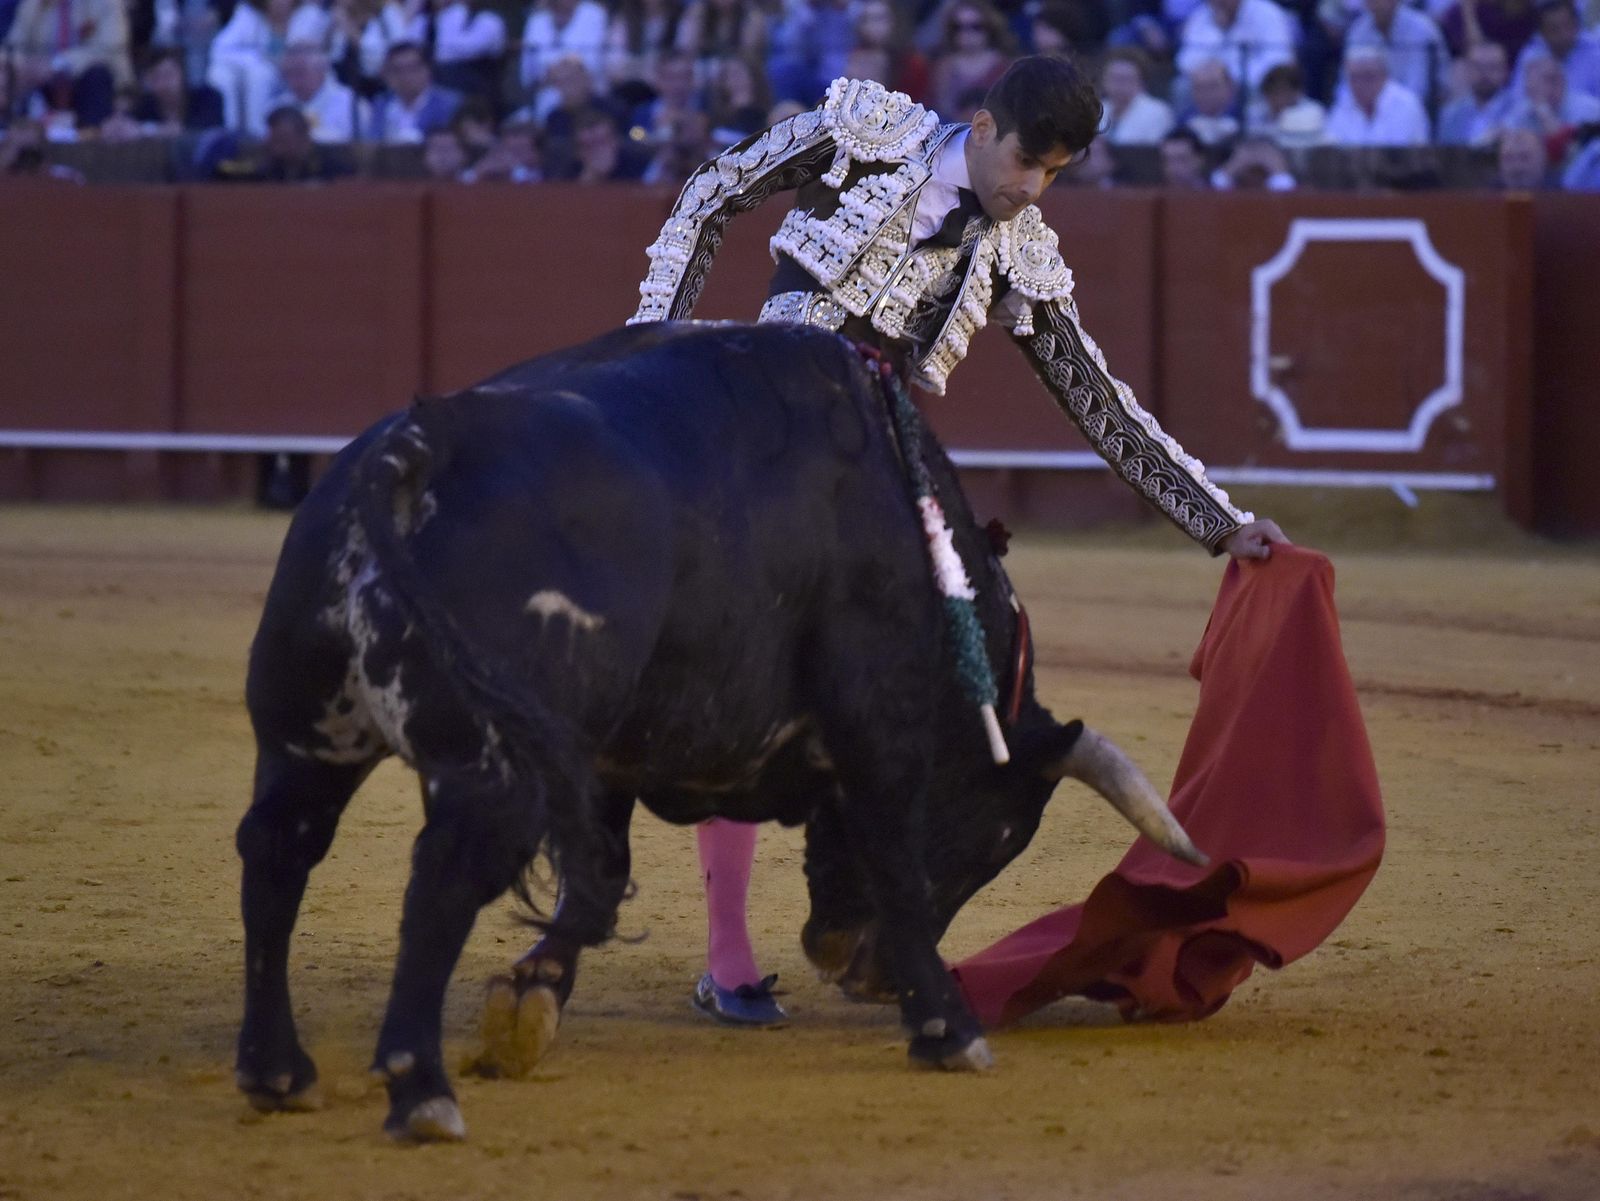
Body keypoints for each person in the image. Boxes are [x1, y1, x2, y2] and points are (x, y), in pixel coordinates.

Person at [623, 57, 1286, 1025]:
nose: (1031, 188)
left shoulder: (1025, 254)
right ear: (980, 128)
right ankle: (722, 952)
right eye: (1025, 161)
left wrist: (1219, 521)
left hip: (878, 463)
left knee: (963, 657)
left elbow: (1100, 404)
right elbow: (711, 194)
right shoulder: (863, 134)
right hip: (760, 418)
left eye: (1054, 174)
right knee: (732, 655)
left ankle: (874, 915)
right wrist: (650, 350)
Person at [2, 0, 132, 130]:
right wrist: (20, 65)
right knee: (9, 74)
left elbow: (108, 50)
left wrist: (56, 64)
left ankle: (91, 136)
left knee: (97, 74)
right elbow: (14, 46)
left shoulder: (106, 3)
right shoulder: (33, 4)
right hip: (44, 83)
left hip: (94, 84)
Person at [1324, 45, 1431, 143]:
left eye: (1368, 76)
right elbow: (1333, 145)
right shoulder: (1343, 102)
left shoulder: (1407, 104)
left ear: (1384, 76)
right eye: (1354, 78)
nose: (1360, 84)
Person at [365, 40, 459, 142]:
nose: (405, 76)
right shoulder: (381, 104)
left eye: (412, 68)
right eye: (397, 70)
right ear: (386, 75)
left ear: (428, 70)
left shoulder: (451, 105)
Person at [1437, 39, 1518, 143]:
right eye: (1477, 67)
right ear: (1467, 70)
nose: (1484, 74)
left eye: (1492, 67)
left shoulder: (1520, 111)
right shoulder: (1450, 114)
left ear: (1505, 71)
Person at [1099, 47, 1175, 144]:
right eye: (1114, 78)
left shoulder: (1157, 112)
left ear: (1142, 83)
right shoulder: (1098, 110)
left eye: (1125, 79)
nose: (1119, 85)